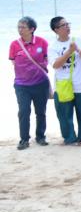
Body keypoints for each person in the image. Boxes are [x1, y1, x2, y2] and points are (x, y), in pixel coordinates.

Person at [48, 17, 81, 145]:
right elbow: (56, 64)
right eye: (63, 25)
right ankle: (69, 137)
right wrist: (69, 51)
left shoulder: (78, 40)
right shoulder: (53, 46)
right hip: (63, 85)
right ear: (56, 30)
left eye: (67, 24)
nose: (67, 27)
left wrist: (78, 50)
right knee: (64, 114)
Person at [10, 17, 50, 150]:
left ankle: (40, 136)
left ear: (32, 29)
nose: (20, 30)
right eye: (18, 27)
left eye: (23, 27)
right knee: (23, 111)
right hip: (22, 85)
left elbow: (46, 59)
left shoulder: (42, 42)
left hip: (40, 83)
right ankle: (24, 139)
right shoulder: (14, 44)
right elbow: (13, 62)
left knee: (41, 112)